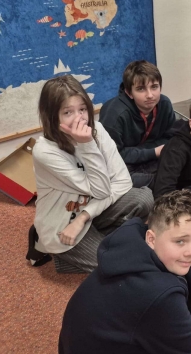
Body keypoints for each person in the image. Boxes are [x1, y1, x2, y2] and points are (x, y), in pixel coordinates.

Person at [59, 190, 191, 354]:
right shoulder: (159, 294)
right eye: (180, 241)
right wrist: (186, 311)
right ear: (151, 238)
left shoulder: (134, 234)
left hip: (84, 342)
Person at [32, 75, 154, 273]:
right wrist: (87, 145)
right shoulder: (45, 151)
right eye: (68, 112)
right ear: (52, 116)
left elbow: (123, 182)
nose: (79, 118)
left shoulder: (97, 129)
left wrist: (84, 217)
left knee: (144, 198)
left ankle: (94, 240)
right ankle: (58, 252)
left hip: (88, 211)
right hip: (63, 221)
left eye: (82, 109)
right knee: (118, 265)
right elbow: (102, 190)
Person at [99, 60, 176, 189]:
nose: (150, 95)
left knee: (184, 168)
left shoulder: (164, 104)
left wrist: (150, 151)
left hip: (152, 157)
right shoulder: (114, 115)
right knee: (161, 182)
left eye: (154, 87)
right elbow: (112, 157)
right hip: (123, 166)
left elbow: (171, 137)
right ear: (129, 93)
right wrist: (153, 151)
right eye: (141, 89)